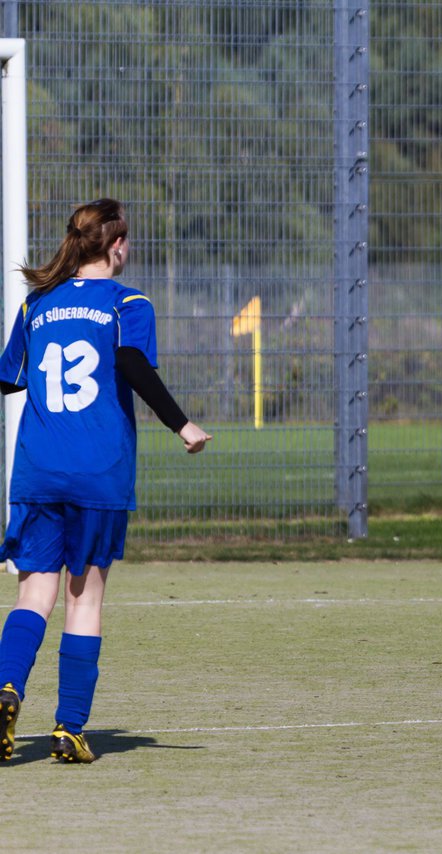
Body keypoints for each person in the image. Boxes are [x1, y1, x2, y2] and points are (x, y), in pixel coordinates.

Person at [0, 199, 211, 762]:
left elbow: (7, 380)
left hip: (38, 471)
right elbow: (133, 366)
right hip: (98, 474)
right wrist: (182, 424)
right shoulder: (127, 302)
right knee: (84, 599)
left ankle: (6, 689)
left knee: (32, 594)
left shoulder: (36, 303)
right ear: (115, 246)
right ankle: (69, 727)